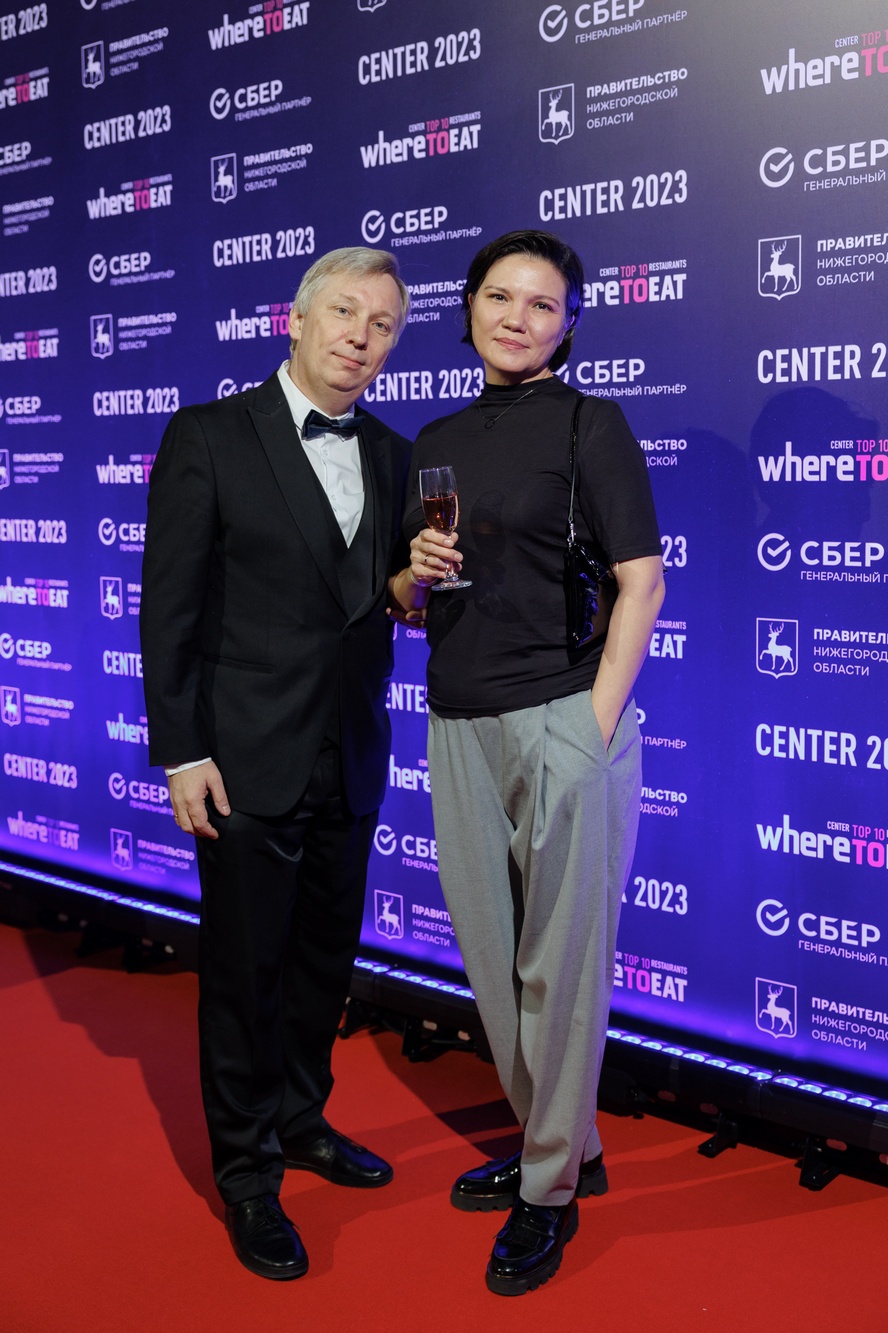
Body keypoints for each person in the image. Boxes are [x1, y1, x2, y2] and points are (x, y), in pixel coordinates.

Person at [140, 246, 428, 1280]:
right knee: (244, 975)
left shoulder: (394, 453)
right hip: (243, 757)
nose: (361, 335)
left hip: (350, 752)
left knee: (320, 963)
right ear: (295, 320)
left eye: (383, 324)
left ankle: (302, 1120)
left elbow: (390, 600)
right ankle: (248, 1174)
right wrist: (182, 751)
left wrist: (420, 583)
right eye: (344, 312)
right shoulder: (211, 434)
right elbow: (168, 609)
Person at [403, 230, 665, 1296]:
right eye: (500, 297)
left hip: (562, 715)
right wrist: (413, 576)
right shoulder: (438, 436)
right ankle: (567, 1142)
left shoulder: (590, 423)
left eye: (542, 304)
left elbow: (641, 581)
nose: (517, 318)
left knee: (561, 966)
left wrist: (594, 725)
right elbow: (415, 602)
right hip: (457, 717)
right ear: (469, 307)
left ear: (568, 326)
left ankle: (548, 1186)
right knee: (495, 962)